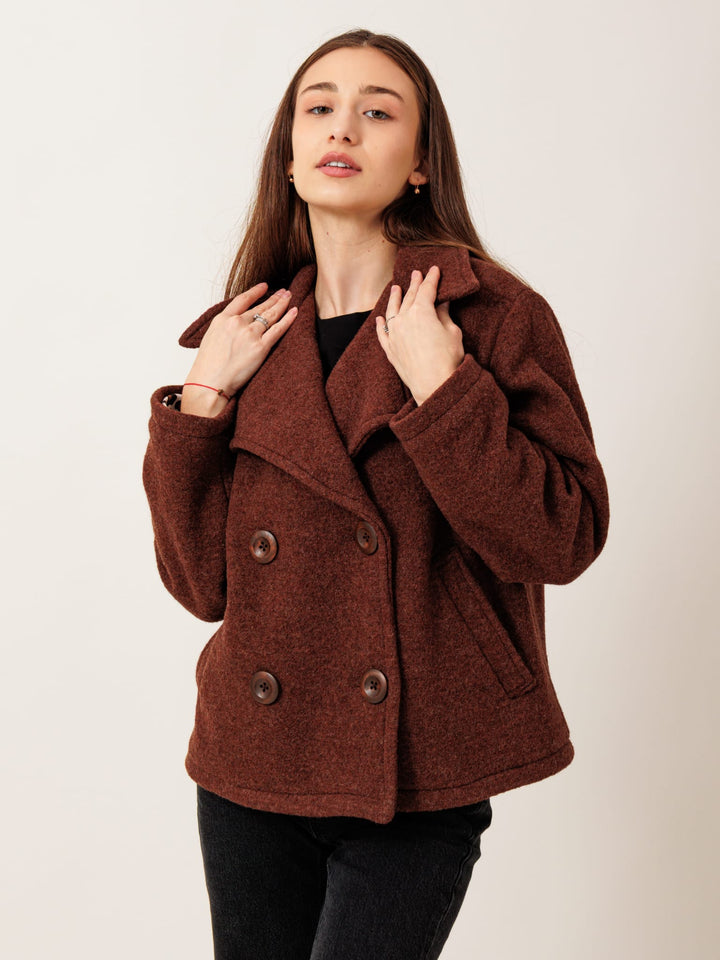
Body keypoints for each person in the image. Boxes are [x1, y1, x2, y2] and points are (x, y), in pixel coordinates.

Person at [142, 27, 610, 960]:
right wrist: (200, 405)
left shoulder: (492, 318)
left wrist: (447, 393)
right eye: (317, 107)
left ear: (421, 161)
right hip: (251, 765)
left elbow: (562, 538)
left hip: (418, 766)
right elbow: (203, 589)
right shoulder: (246, 331)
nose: (341, 126)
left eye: (376, 109)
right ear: (289, 154)